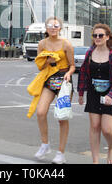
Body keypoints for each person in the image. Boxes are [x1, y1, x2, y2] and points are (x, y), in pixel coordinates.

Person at [78, 24, 112, 164]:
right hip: (94, 93)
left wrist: (111, 95)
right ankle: (95, 161)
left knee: (107, 129)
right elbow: (83, 73)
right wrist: (80, 93)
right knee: (95, 126)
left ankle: (111, 147)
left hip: (110, 94)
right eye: (95, 35)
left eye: (100, 35)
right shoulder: (90, 52)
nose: (97, 38)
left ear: (107, 37)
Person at [32, 17, 75, 164]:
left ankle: (61, 153)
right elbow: (39, 66)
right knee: (41, 112)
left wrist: (69, 74)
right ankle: (45, 144)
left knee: (62, 117)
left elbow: (73, 65)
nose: (53, 28)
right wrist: (48, 61)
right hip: (49, 79)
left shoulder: (66, 44)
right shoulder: (42, 44)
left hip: (64, 80)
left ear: (60, 28)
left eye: (56, 26)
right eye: (50, 25)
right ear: (46, 28)